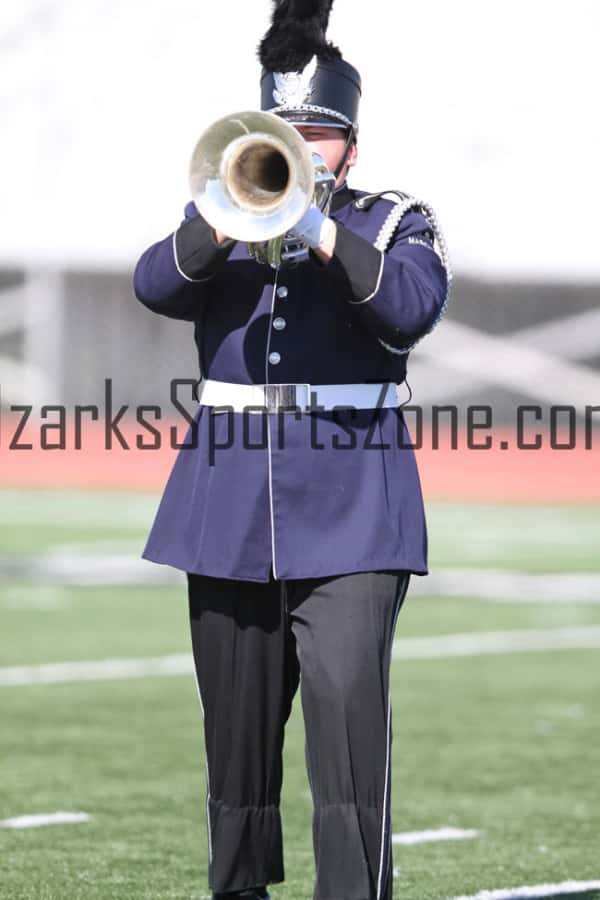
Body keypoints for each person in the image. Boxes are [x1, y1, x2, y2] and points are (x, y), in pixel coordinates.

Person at [132, 2, 451, 898]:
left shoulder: (393, 222)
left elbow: (407, 308)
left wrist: (317, 230)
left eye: (324, 132)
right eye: (292, 128)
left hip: (354, 514)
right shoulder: (224, 216)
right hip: (227, 507)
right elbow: (153, 283)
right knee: (234, 748)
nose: (306, 147)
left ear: (353, 143)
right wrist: (221, 215)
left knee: (348, 745)